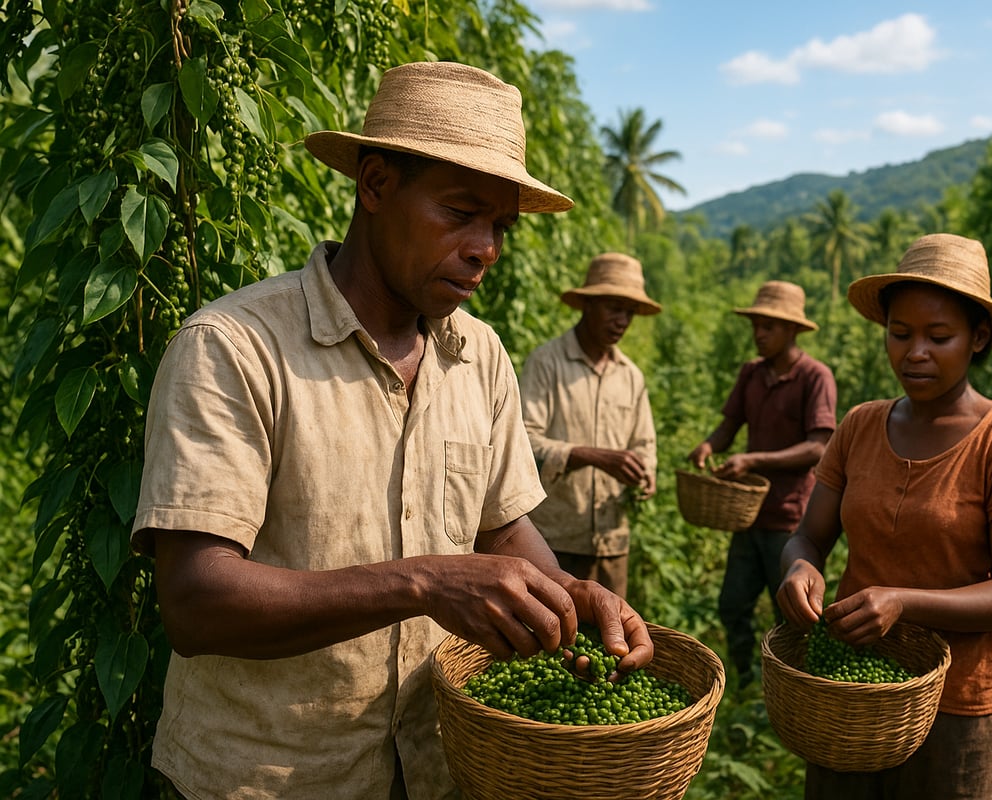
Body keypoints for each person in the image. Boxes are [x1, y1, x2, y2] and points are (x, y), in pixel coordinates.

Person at [130, 61, 654, 800]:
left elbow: (502, 532)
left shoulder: (479, 356)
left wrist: (572, 594)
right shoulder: (234, 347)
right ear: (374, 185)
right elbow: (195, 600)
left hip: (435, 764)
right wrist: (422, 582)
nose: (486, 249)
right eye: (459, 213)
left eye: (499, 226)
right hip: (267, 777)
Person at [776, 233, 992, 799]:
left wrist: (903, 601)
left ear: (978, 338)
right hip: (854, 693)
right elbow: (809, 535)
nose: (914, 353)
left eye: (939, 336)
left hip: (958, 701)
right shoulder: (859, 426)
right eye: (899, 335)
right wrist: (799, 569)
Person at [687, 280, 837, 689]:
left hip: (790, 518)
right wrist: (707, 445)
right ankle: (746, 679)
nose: (759, 334)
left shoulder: (814, 377)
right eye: (756, 325)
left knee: (789, 611)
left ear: (792, 330)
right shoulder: (752, 373)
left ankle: (792, 686)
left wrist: (753, 459)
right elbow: (730, 425)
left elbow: (818, 448)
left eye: (768, 326)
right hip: (749, 515)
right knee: (732, 604)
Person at [519, 252, 660, 599]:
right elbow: (523, 443)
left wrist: (645, 473)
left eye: (629, 312)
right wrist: (593, 456)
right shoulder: (547, 363)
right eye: (614, 308)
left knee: (611, 641)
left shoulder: (630, 376)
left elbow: (645, 445)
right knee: (550, 639)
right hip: (552, 542)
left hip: (611, 542)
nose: (622, 320)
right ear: (588, 305)